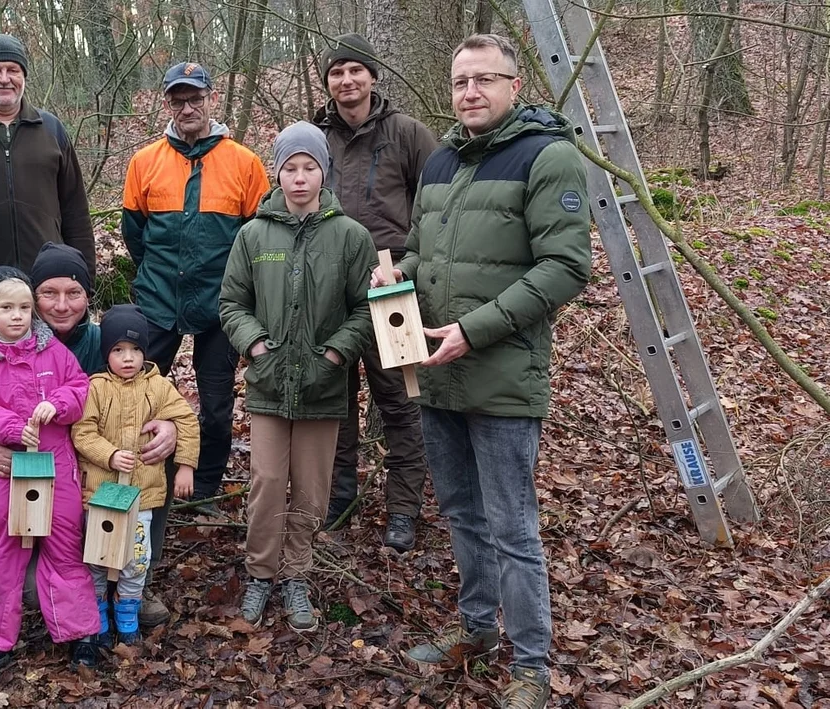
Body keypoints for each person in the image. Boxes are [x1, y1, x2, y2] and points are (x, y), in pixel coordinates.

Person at [373, 34, 591, 709]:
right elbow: (431, 256)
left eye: (484, 80)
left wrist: (475, 327)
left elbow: (564, 267)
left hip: (501, 376)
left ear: (513, 86)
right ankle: (475, 628)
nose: (470, 92)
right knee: (463, 515)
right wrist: (396, 272)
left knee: (512, 526)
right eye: (461, 80)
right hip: (437, 376)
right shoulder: (440, 162)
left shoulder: (547, 157)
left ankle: (530, 663)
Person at [0, 242, 179, 627]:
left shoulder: (108, 341)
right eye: (49, 293)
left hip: (98, 472)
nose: (62, 305)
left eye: (74, 293)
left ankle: (135, 578)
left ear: (87, 296)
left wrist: (170, 425)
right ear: (32, 297)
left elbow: (155, 390)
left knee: (155, 455)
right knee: (34, 588)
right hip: (28, 476)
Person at [219, 122, 376, 631]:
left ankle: (297, 576)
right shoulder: (253, 234)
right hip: (267, 384)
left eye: (310, 168)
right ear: (277, 173)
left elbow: (364, 309)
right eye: (291, 168)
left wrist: (333, 356)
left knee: (312, 486)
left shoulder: (351, 236)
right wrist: (256, 345)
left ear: (323, 172)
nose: (300, 178)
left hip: (323, 385)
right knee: (266, 481)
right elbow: (232, 303)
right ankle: (261, 573)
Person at [122, 59, 270, 557]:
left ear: (212, 98)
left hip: (220, 304)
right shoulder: (145, 161)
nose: (188, 107)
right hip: (159, 298)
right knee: (140, 392)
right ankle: (148, 473)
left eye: (196, 98)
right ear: (167, 103)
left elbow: (258, 236)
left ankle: (205, 485)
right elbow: (134, 234)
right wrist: (155, 275)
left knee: (216, 401)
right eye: (178, 99)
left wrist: (242, 291)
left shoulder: (245, 163)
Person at [313, 34, 438, 550]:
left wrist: (408, 266)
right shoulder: (313, 136)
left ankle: (404, 510)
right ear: (327, 82)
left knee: (401, 402)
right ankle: (338, 501)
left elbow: (437, 210)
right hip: (332, 286)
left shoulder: (407, 133)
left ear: (372, 76)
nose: (347, 81)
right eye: (337, 72)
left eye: (355, 71)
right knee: (334, 402)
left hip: (393, 283)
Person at [0, 267, 102, 671]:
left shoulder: (52, 350)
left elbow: (79, 388)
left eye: (23, 308)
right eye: (6, 308)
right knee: (1, 553)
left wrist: (59, 404)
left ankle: (80, 633)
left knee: (65, 549)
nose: (17, 316)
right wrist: (11, 427)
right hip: (5, 472)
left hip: (56, 467)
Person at [0, 33, 97, 351]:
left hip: (47, 286)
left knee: (51, 376)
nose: (4, 78)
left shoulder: (50, 129)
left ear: (24, 76)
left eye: (13, 69)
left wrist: (84, 280)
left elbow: (75, 210)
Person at [72, 304, 201, 645]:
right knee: (97, 557)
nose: (127, 358)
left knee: (136, 558)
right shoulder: (95, 388)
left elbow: (186, 421)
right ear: (106, 353)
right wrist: (110, 455)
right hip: (99, 495)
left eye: (135, 350)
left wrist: (185, 466)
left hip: (142, 496)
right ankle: (96, 612)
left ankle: (127, 610)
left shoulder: (158, 387)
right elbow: (82, 432)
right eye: (118, 350)